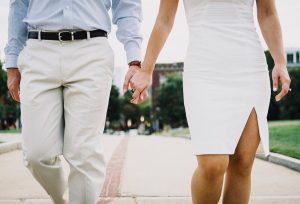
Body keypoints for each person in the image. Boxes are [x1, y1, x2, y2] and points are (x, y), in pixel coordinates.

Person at [124, 0, 291, 203]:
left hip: (249, 67)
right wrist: (147, 69)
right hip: (203, 70)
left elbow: (267, 13)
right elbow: (164, 19)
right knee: (213, 164)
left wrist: (280, 62)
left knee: (243, 162)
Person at [5, 0, 142, 203]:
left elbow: (127, 4)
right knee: (36, 154)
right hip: (39, 49)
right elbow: (19, 4)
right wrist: (12, 61)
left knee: (84, 154)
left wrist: (134, 58)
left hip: (91, 50)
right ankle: (63, 199)